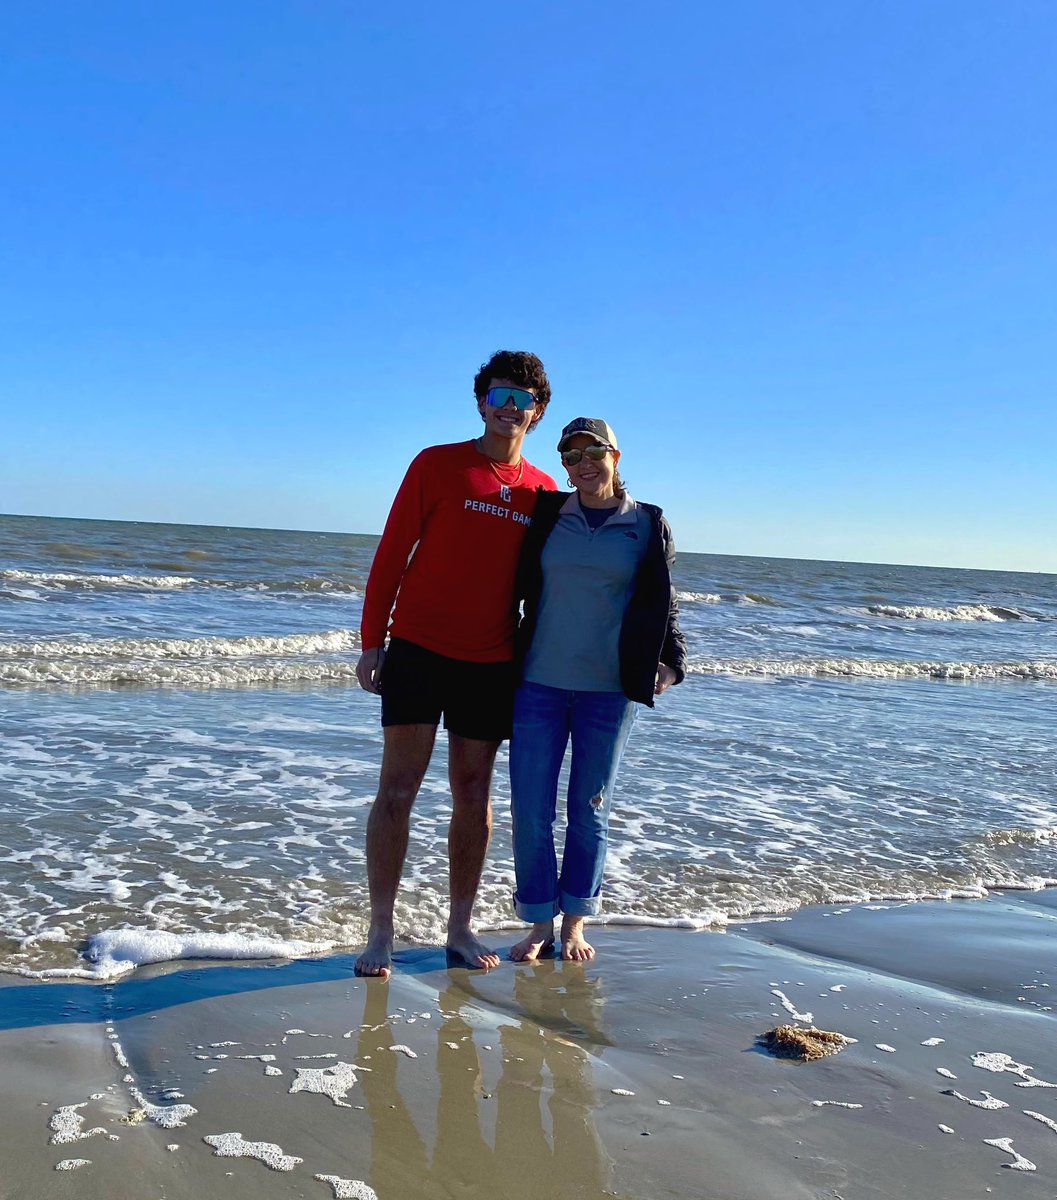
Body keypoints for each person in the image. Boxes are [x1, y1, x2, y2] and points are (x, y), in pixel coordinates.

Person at [354, 351, 558, 977]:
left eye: (521, 400)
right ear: (480, 402)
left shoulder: (545, 490)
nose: (508, 408)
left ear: (537, 412)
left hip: (491, 660)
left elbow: (563, 581)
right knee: (397, 791)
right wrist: (373, 639)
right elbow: (392, 551)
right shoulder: (436, 464)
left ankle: (460, 929)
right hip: (416, 648)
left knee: (474, 796)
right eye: (498, 395)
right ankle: (381, 930)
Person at [508, 417, 686, 962]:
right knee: (531, 808)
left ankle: (576, 923)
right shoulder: (544, 515)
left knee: (590, 807)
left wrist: (671, 661)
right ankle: (539, 921)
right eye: (571, 454)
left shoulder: (648, 524)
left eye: (594, 451)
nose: (583, 462)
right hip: (537, 682)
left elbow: (662, 601)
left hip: (608, 692)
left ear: (617, 454)